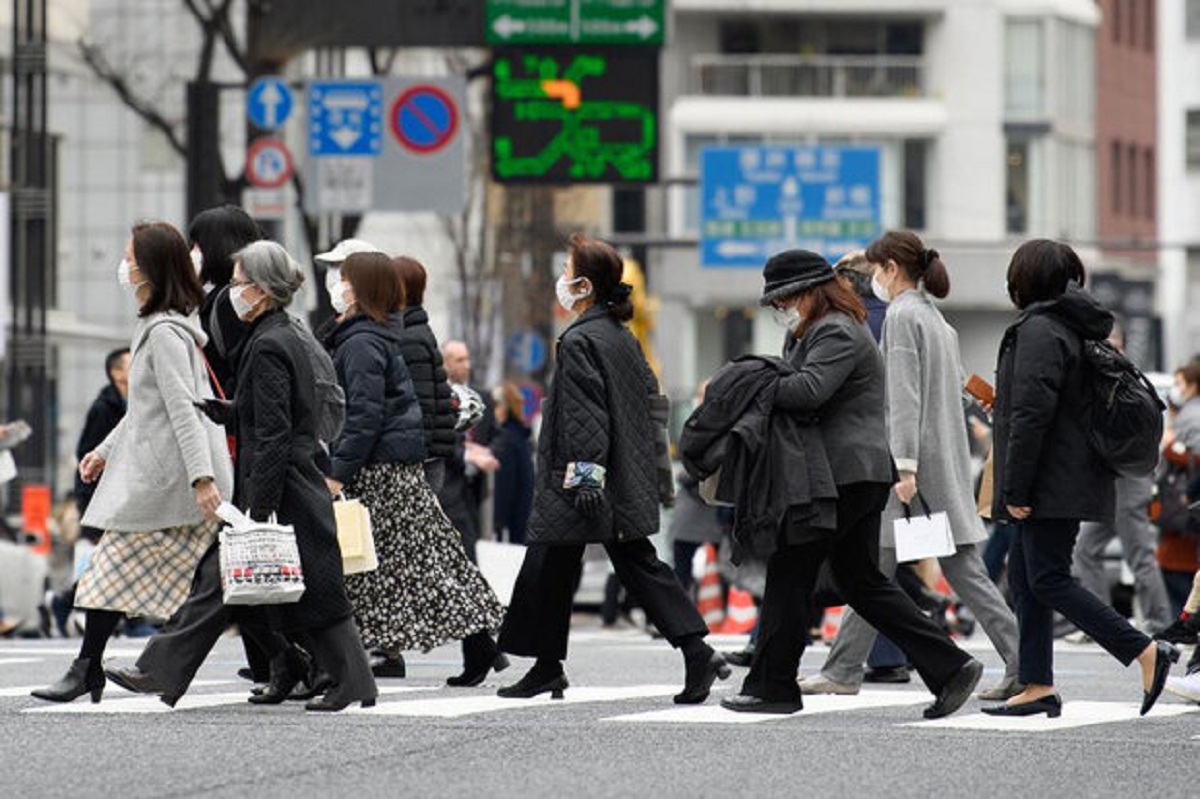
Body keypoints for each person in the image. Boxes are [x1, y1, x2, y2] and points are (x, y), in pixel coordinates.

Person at [719, 248, 983, 717]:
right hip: (850, 474)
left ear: (808, 292)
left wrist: (748, 381)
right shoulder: (824, 328)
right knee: (861, 581)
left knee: (791, 570)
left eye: (786, 299)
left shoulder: (836, 330)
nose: (783, 309)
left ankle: (773, 685)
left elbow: (806, 391)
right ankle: (949, 665)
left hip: (842, 475)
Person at [497, 234, 729, 704]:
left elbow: (588, 416)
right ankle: (550, 666)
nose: (560, 279)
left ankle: (694, 650)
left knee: (561, 563)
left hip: (584, 479)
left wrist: (586, 477)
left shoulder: (582, 339)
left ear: (583, 285)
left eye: (566, 271)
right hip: (620, 473)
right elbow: (649, 401)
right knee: (590, 562)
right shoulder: (621, 336)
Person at [800, 231, 1021, 702]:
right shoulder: (936, 320)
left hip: (909, 474)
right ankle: (843, 667)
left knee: (903, 571)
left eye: (878, 269)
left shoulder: (900, 317)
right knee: (883, 571)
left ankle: (1023, 664)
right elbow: (951, 386)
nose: (874, 278)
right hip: (942, 465)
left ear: (891, 270)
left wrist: (903, 467)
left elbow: (902, 397)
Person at [32, 221, 233, 704]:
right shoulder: (160, 325)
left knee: (111, 572)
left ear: (151, 268)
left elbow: (184, 410)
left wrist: (202, 478)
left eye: (130, 257)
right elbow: (147, 409)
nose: (124, 267)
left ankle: (86, 669)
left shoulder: (165, 331)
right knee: (223, 584)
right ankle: (293, 659)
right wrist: (102, 452)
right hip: (160, 478)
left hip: (168, 481)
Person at [981, 239, 1178, 718]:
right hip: (1067, 476)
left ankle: (1145, 650)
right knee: (1027, 580)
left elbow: (1031, 416)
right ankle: (1037, 684)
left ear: (1023, 279)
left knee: (1046, 578)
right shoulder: (1069, 328)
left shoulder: (1039, 331)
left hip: (1051, 481)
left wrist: (1016, 490)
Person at [325, 252, 506, 687]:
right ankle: (477, 643)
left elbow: (365, 415)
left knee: (396, 563)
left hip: (386, 469)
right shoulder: (386, 333)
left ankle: (344, 661)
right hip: (402, 462)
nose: (338, 286)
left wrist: (338, 470)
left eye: (344, 279)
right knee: (422, 560)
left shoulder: (370, 340)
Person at [218, 241, 377, 711]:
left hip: (286, 481)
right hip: (299, 475)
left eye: (239, 283)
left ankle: (353, 681)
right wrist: (229, 411)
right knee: (313, 585)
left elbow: (275, 430)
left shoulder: (267, 344)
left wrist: (260, 505)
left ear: (262, 290)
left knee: (319, 589)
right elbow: (282, 411)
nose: (233, 292)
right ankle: (349, 680)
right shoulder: (287, 334)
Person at [1070, 326, 1172, 636]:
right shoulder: (1098, 381)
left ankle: (1161, 623)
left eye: (1113, 344)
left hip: (1130, 478)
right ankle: (1099, 623)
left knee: (1138, 552)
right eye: (1103, 345)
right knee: (1085, 549)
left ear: (1124, 349)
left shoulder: (1129, 382)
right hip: (1108, 478)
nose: (1108, 351)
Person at [392, 256, 457, 493]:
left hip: (421, 461)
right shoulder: (414, 330)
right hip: (425, 456)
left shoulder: (410, 339)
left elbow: (422, 405)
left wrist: (412, 457)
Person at [438, 339, 498, 561]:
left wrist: (478, 450)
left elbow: (495, 435)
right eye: (459, 359)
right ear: (445, 363)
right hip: (446, 490)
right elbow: (440, 437)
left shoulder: (479, 397)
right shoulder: (437, 394)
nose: (467, 365)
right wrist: (466, 453)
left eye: (467, 359)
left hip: (469, 491)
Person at [491, 382, 535, 545]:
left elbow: (505, 487)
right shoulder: (520, 437)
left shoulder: (505, 440)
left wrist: (497, 523)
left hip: (513, 527)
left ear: (503, 408)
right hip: (525, 519)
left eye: (494, 405)